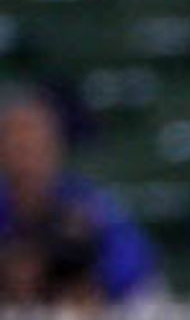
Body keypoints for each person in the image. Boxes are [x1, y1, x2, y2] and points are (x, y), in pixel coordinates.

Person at [0, 88, 157, 304]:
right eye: (15, 142)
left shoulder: (86, 202)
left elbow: (133, 259)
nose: (25, 155)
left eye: (35, 143)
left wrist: (94, 282)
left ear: (56, 148)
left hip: (80, 316)